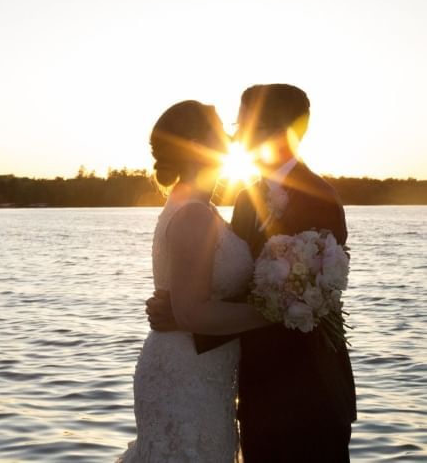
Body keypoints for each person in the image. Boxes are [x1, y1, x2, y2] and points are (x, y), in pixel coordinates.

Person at [148, 84, 357, 462]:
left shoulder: (319, 199)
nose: (234, 134)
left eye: (241, 123)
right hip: (256, 396)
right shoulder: (247, 197)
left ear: (273, 131)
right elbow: (237, 279)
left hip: (310, 397)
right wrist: (186, 309)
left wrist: (187, 317)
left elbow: (305, 303)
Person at [116, 100, 270, 462]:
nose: (231, 134)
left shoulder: (197, 205)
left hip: (203, 375)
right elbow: (193, 313)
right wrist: (273, 313)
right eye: (220, 128)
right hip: (185, 378)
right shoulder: (194, 214)